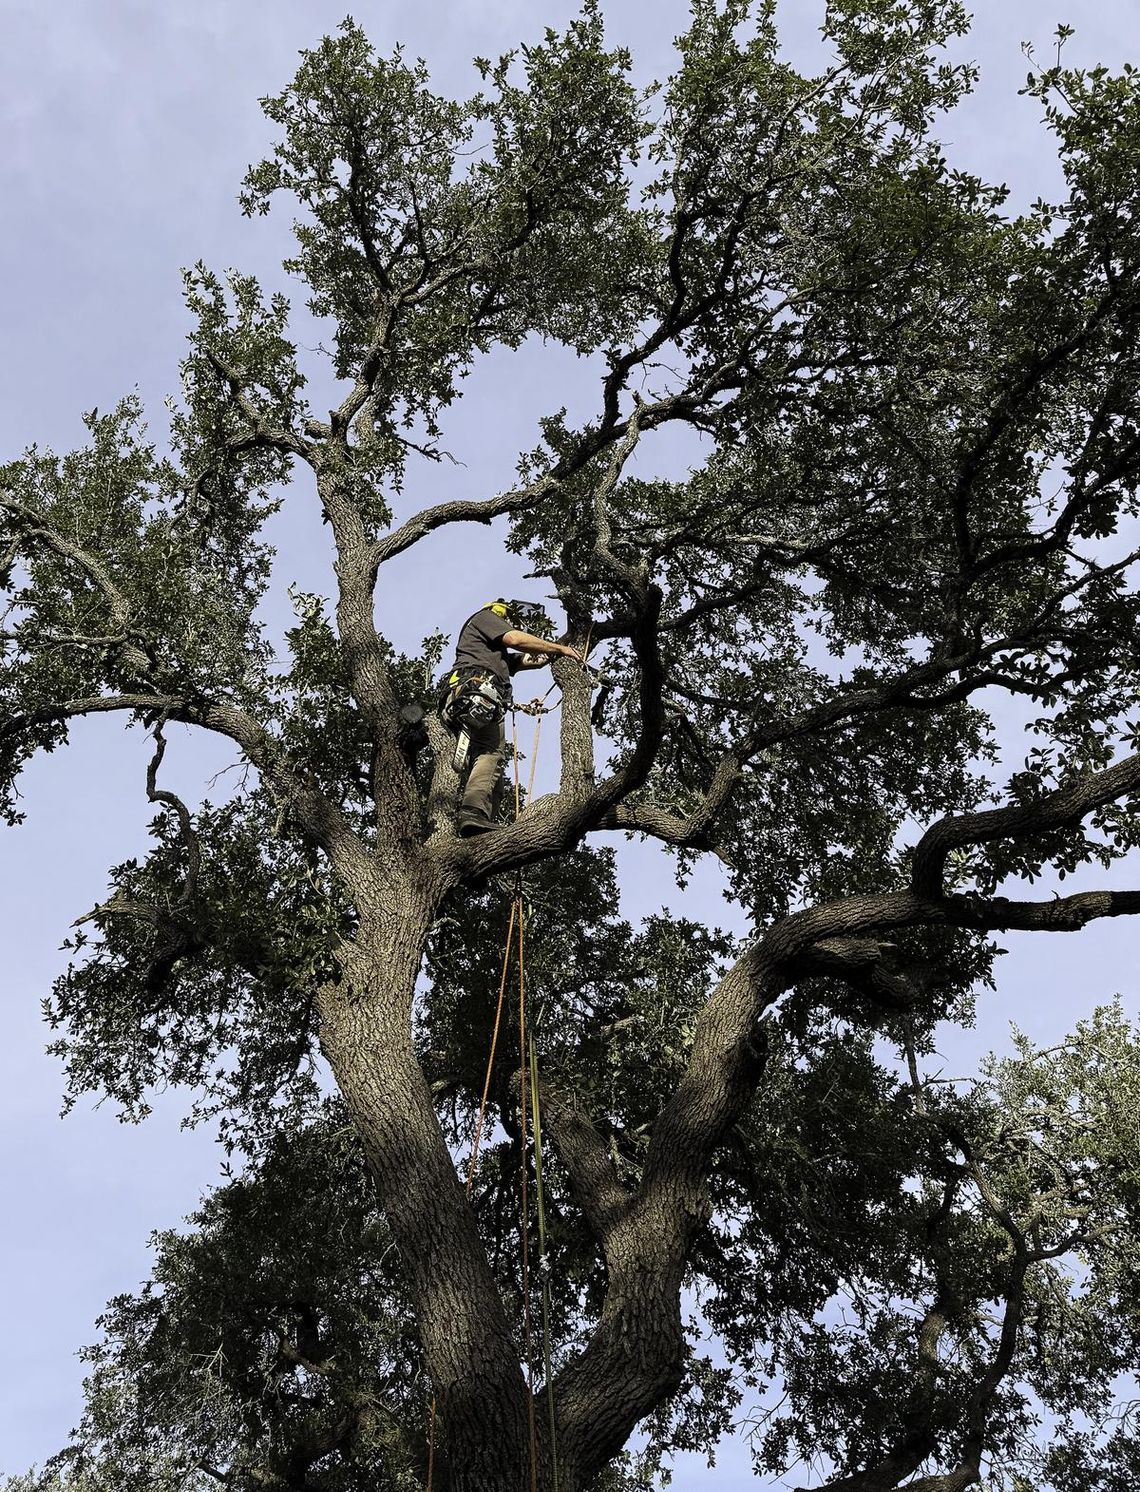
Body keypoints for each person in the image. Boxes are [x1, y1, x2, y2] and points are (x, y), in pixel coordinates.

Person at [441, 600, 583, 837]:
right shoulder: (485, 618)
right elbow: (516, 639)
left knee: (491, 772)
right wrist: (559, 649)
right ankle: (473, 812)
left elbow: (532, 659)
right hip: (476, 690)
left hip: (470, 695)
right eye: (511, 621)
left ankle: (481, 823)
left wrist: (561, 646)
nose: (511, 625)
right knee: (490, 753)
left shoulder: (494, 654)